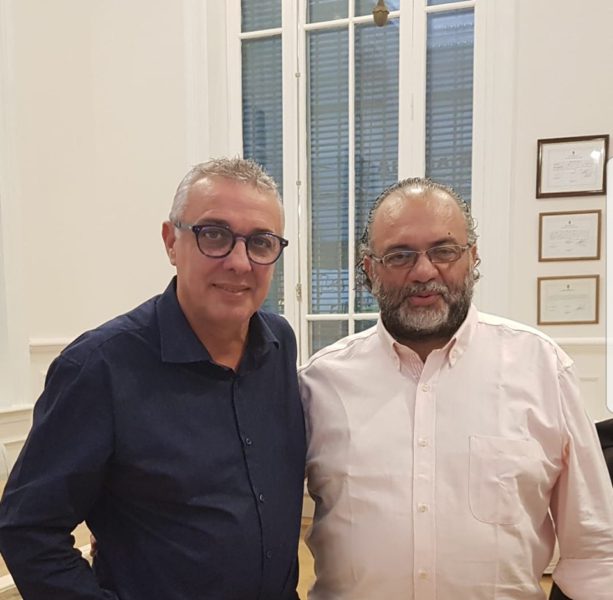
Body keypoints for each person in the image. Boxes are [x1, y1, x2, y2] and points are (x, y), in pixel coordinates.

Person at [0, 157, 306, 600]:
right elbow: (28, 529)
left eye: (261, 242)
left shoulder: (279, 344)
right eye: (214, 235)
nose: (240, 262)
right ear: (170, 242)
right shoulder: (99, 367)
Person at [299, 177, 613, 599]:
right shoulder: (320, 383)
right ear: (370, 269)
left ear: (472, 257)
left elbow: (594, 551)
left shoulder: (543, 369)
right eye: (399, 255)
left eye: (444, 251)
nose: (424, 271)